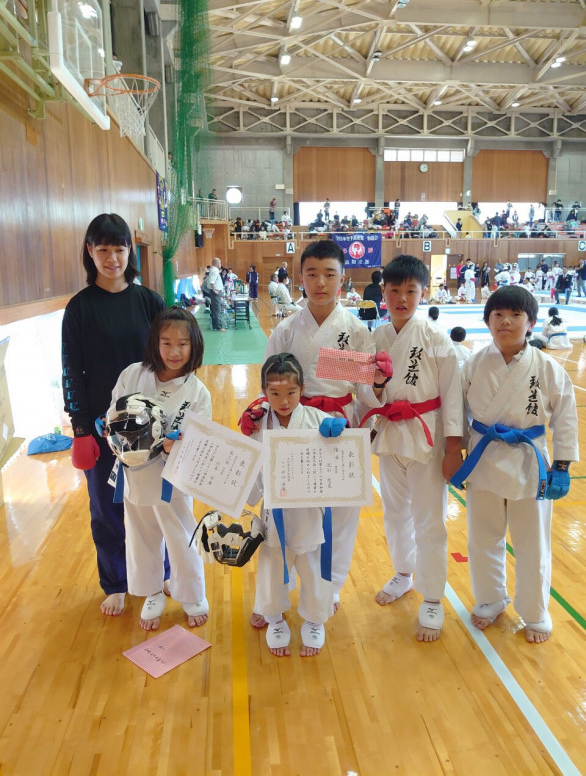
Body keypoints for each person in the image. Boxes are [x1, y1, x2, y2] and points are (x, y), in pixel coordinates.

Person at [242, 239, 376, 626]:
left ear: (342, 278)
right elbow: (270, 382)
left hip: (338, 423)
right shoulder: (286, 330)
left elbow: (365, 392)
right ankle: (273, 594)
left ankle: (329, 588)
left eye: (329, 274)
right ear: (300, 277)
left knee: (341, 513)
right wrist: (261, 414)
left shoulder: (353, 329)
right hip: (292, 423)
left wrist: (371, 408)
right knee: (283, 509)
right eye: (313, 274)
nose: (320, 283)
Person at [451, 287, 578, 643]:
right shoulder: (474, 363)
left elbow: (565, 417)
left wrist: (563, 465)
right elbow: (458, 412)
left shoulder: (547, 367)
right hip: (484, 458)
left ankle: (535, 610)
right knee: (482, 539)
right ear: (487, 321)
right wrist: (455, 449)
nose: (505, 322)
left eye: (515, 315)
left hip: (529, 463)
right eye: (498, 315)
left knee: (532, 542)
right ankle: (491, 599)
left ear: (531, 322)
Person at [61, 213, 165, 616]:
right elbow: (71, 368)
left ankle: (162, 573)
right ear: (90, 251)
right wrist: (81, 427)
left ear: (129, 251)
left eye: (119, 249)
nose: (112, 257)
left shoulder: (149, 302)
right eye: (102, 249)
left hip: (152, 427)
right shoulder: (79, 308)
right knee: (107, 508)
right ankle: (116, 581)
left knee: (156, 505)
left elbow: (171, 360)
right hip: (104, 430)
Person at [356, 255, 463, 642]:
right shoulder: (377, 338)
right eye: (394, 290)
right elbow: (364, 392)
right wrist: (378, 388)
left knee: (429, 520)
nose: (402, 298)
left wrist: (454, 447)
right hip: (389, 432)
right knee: (395, 513)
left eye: (410, 291)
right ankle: (403, 573)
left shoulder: (437, 341)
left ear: (423, 293)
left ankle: (433, 597)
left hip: (427, 435)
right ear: (382, 292)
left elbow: (453, 396)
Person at [107, 308, 211, 631]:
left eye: (183, 343)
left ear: (194, 345)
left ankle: (193, 594)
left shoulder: (197, 393)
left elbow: (199, 440)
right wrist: (112, 429)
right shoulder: (132, 375)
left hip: (172, 478)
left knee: (180, 534)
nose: (175, 351)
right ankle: (152, 591)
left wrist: (174, 445)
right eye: (166, 343)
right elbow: (113, 411)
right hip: (134, 474)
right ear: (155, 343)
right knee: (140, 535)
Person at [246, 353, 347, 656]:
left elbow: (340, 458)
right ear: (264, 392)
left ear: (302, 389)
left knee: (314, 570)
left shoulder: (318, 421)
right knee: (272, 569)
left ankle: (315, 620)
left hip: (309, 515)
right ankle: (274, 617)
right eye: (274, 393)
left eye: (291, 392)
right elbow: (251, 465)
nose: (284, 400)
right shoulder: (257, 422)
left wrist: (339, 433)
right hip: (274, 513)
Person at [208, 257, 226, 331]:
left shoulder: (213, 270)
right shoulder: (215, 270)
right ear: (216, 263)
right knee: (217, 309)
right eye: (220, 262)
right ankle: (218, 327)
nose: (220, 264)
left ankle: (215, 326)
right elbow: (212, 281)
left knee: (215, 309)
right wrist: (214, 290)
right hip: (215, 293)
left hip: (215, 292)